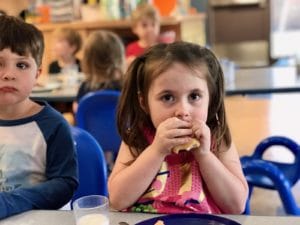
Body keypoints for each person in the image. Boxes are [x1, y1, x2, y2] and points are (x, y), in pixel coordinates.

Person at [108, 42, 248, 214]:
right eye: (167, 97)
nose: (183, 111)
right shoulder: (137, 138)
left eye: (194, 96)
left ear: (210, 98)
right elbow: (117, 200)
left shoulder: (218, 139)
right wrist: (157, 151)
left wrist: (204, 155)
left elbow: (236, 206)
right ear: (144, 103)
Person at [0, 15, 78, 219]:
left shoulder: (52, 125)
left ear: (37, 75)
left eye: (22, 65)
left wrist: (10, 202)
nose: (9, 74)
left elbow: (64, 184)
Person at [72, 30, 125, 113]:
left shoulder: (86, 86)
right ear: (119, 58)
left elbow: (77, 109)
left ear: (87, 60)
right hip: (120, 126)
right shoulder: (125, 86)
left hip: (88, 126)